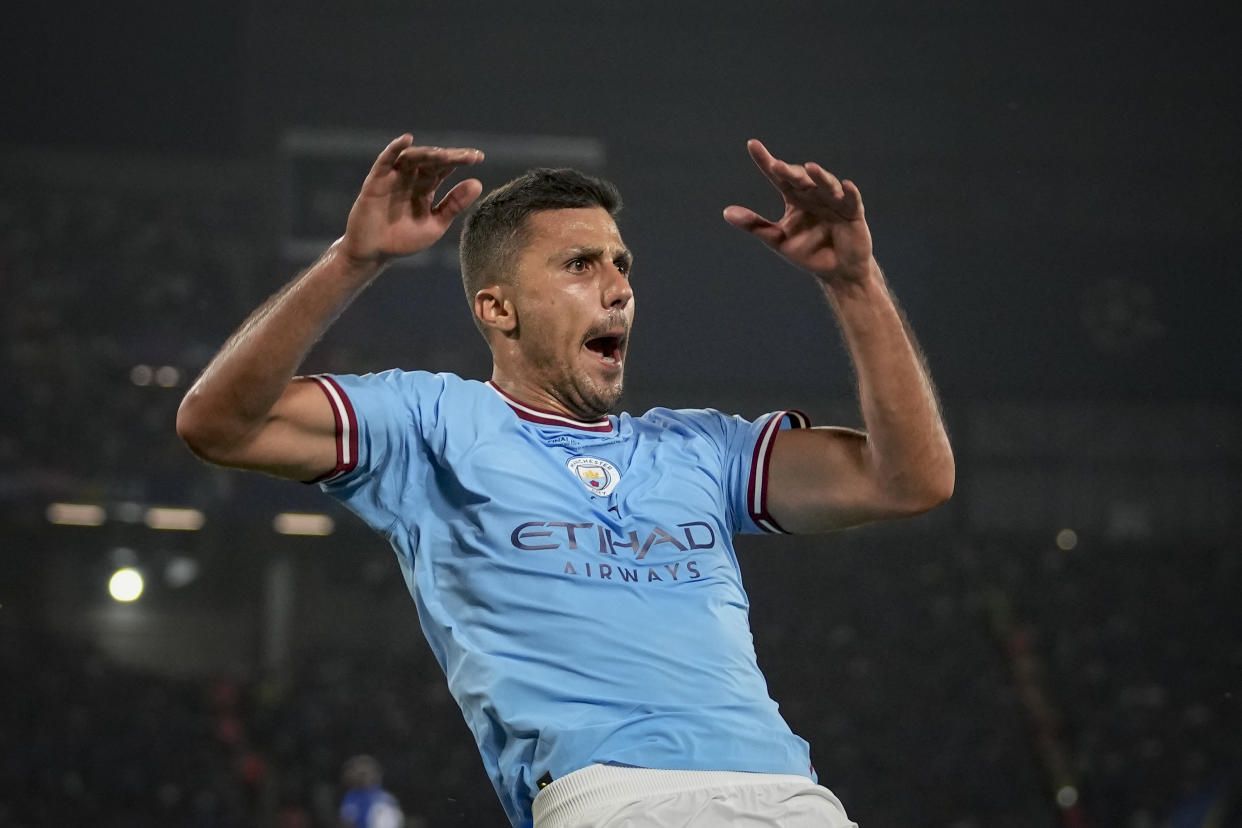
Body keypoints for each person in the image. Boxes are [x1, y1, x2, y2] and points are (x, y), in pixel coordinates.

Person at [176, 133, 954, 828]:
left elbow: (909, 480)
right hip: (617, 800)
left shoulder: (701, 449)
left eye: (622, 265)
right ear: (498, 308)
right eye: (581, 265)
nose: (619, 287)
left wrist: (856, 284)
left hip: (791, 796)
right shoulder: (428, 422)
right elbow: (219, 424)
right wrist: (353, 263)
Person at [338, 755, 404, 828]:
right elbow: (348, 822)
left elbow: (396, 820)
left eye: (364, 774)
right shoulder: (352, 797)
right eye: (359, 774)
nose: (362, 778)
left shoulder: (386, 798)